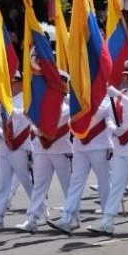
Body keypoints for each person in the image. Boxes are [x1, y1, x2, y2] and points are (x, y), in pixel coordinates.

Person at [88, 60, 128, 235]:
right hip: (120, 145)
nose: (126, 79)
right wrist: (113, 128)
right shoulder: (119, 94)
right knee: (117, 184)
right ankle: (108, 220)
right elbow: (109, 115)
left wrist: (118, 95)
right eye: (125, 76)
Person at [47, 90, 114, 234]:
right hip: (79, 145)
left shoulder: (105, 99)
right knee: (76, 182)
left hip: (99, 145)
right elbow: (62, 97)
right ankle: (67, 218)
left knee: (104, 183)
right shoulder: (77, 97)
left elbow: (101, 116)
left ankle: (107, 221)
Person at [16, 70, 72, 232]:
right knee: (39, 185)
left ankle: (72, 217)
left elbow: (47, 126)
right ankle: (32, 218)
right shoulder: (43, 104)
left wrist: (33, 123)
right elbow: (36, 124)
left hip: (60, 150)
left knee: (67, 186)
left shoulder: (67, 107)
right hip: (41, 149)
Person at [0, 71, 34, 230]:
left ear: (20, 82)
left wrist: (8, 107)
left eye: (13, 81)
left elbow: (25, 116)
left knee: (26, 181)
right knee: (2, 183)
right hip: (4, 145)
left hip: (19, 145)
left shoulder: (27, 98)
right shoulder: (7, 99)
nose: (10, 85)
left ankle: (39, 209)